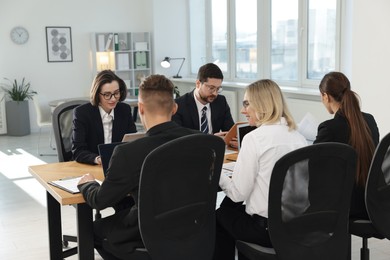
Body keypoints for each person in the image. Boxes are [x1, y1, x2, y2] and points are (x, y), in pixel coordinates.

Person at [77, 74, 199, 260]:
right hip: (193, 226)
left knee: (91, 230)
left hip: (148, 229)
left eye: (116, 93)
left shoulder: (128, 153)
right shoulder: (201, 140)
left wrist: (88, 184)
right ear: (174, 108)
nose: (113, 99)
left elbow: (100, 201)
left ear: (140, 109)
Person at [214, 79, 307, 260]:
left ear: (261, 104)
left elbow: (238, 194)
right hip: (294, 227)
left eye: (247, 104)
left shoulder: (255, 139)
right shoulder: (299, 137)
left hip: (265, 230)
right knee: (230, 210)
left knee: (220, 215)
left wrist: (216, 169)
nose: (243, 110)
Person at [313, 71, 379, 220]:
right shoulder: (369, 120)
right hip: (371, 201)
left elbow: (313, 167)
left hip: (345, 205)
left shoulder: (329, 128)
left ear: (326, 96)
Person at [72, 70, 137, 165]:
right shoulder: (82, 113)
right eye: (107, 94)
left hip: (118, 165)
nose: (113, 99)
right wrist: (98, 159)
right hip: (91, 166)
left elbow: (132, 142)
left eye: (116, 93)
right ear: (97, 94)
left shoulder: (124, 110)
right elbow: (78, 151)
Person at [172, 63, 235, 136]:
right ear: (198, 84)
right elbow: (178, 137)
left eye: (218, 88)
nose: (215, 93)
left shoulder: (221, 101)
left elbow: (230, 130)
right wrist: (211, 138)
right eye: (211, 88)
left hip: (215, 146)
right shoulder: (179, 105)